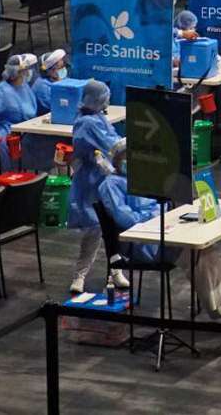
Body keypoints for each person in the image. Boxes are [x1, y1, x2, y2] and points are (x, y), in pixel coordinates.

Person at [96, 147, 221, 315]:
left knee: (203, 247)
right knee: (192, 251)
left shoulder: (139, 180)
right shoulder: (110, 185)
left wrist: (160, 213)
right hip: (139, 243)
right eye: (126, 158)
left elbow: (161, 204)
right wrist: (153, 215)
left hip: (157, 230)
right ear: (117, 161)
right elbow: (124, 218)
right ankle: (219, 305)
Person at [68, 79, 131, 294]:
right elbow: (112, 145)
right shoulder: (88, 123)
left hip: (104, 178)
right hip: (91, 181)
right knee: (94, 230)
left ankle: (115, 272)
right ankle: (80, 275)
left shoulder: (97, 118)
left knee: (111, 228)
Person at [0, 54, 39, 171]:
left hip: (27, 132)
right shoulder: (1, 92)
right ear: (19, 73)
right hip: (8, 135)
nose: (28, 73)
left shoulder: (24, 87)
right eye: (25, 70)